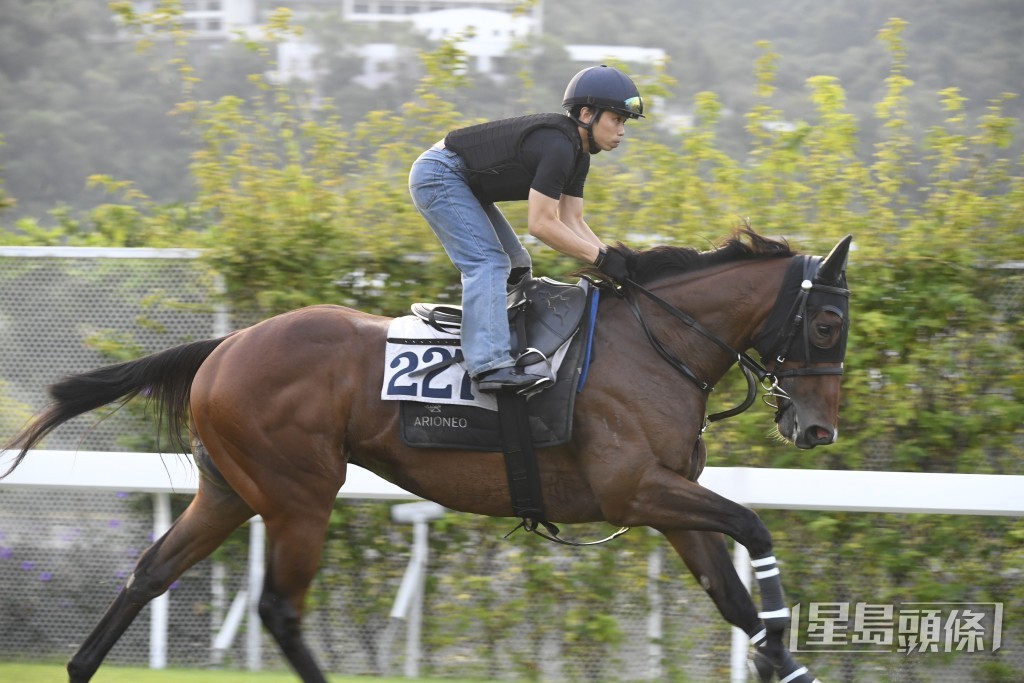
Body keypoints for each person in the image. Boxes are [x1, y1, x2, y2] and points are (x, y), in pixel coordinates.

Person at [408, 65, 642, 393]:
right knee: (489, 262)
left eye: (624, 123)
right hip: (440, 174)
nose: (621, 131)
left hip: (463, 181)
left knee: (517, 266)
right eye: (616, 119)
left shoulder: (579, 155)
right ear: (587, 113)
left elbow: (573, 221)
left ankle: (502, 339)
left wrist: (613, 260)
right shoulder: (559, 146)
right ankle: (489, 365)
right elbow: (542, 224)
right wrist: (603, 261)